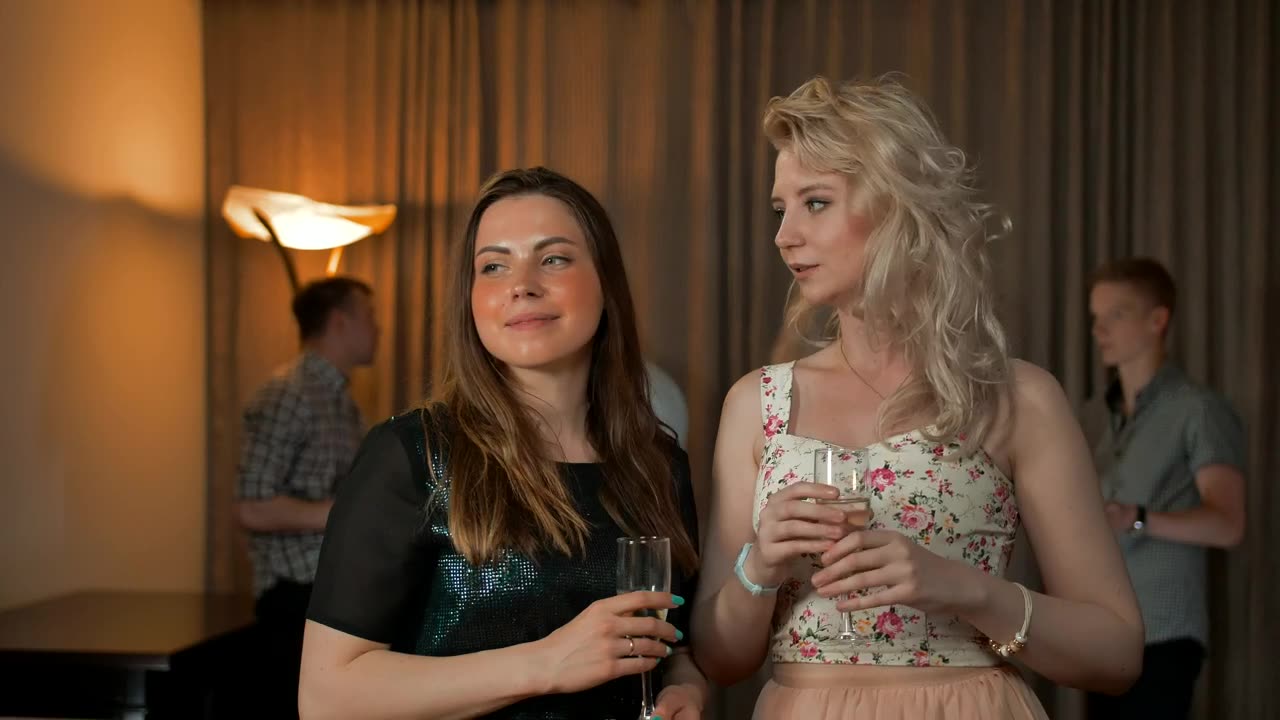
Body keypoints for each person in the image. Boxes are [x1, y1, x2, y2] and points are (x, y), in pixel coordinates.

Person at [690, 75, 1144, 719]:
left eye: (814, 202)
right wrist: (759, 565)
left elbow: (1119, 655)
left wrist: (965, 589)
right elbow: (720, 659)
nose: (783, 235)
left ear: (897, 205)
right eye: (779, 209)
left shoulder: (1017, 399)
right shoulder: (758, 405)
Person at [298, 167, 707, 719]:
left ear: (607, 284)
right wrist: (546, 663)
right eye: (493, 265)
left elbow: (673, 644)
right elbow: (326, 698)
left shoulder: (660, 465)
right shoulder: (410, 456)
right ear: (471, 300)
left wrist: (686, 687)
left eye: (554, 258)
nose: (521, 283)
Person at [1085, 257, 1246, 720]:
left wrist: (1136, 517)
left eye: (1116, 314)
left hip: (1165, 633)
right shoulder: (1093, 415)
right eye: (1096, 317)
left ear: (1158, 320)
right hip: (1102, 631)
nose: (1100, 330)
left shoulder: (1199, 410)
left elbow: (1228, 524)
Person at [236, 275, 379, 717]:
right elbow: (252, 508)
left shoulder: (340, 400)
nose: (379, 329)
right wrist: (349, 512)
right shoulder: (288, 394)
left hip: (329, 590)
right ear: (339, 322)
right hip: (292, 597)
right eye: (370, 317)